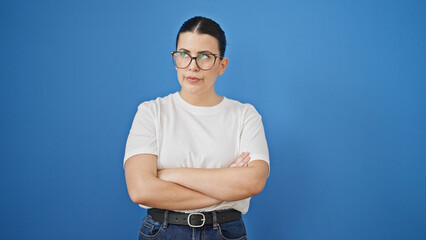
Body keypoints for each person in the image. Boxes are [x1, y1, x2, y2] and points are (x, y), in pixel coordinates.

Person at [123, 16, 270, 240]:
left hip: (224, 232)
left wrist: (170, 175)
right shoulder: (151, 112)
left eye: (205, 57)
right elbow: (140, 189)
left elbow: (253, 181)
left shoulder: (245, 115)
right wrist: (226, 190)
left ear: (222, 65)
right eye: (183, 54)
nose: (192, 66)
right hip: (161, 231)